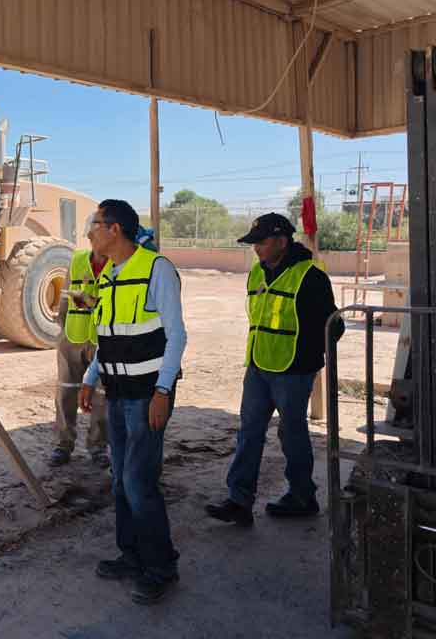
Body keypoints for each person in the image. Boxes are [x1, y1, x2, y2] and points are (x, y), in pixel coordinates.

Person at [77, 199, 187, 605]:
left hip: (147, 396)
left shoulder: (157, 269)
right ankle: (131, 554)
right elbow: (109, 336)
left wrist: (162, 391)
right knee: (121, 479)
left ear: (116, 229)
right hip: (118, 393)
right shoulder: (109, 275)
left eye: (96, 224)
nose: (90, 232)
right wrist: (91, 378)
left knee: (139, 483)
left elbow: (177, 336)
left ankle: (161, 567)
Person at [206, 213, 343, 526]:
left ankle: (302, 496)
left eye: (262, 242)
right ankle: (239, 501)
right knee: (249, 431)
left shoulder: (310, 275)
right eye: (253, 243)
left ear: (282, 241)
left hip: (293, 369)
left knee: (291, 432)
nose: (256, 249)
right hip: (258, 364)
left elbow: (334, 326)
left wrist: (308, 355)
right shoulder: (256, 273)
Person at [49, 216, 109, 469]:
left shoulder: (119, 265)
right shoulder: (77, 260)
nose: (93, 239)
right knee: (66, 392)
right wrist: (63, 331)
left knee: (102, 396)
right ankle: (63, 445)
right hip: (72, 338)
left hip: (102, 341)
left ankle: (97, 447)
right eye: (92, 234)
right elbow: (63, 300)